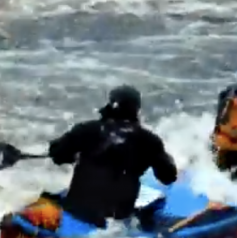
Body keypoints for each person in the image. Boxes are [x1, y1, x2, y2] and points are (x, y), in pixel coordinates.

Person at [46, 85, 178, 228]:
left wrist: (72, 154)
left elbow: (57, 154)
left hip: (77, 213)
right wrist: (162, 158)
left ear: (110, 103)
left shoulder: (86, 129)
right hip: (115, 222)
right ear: (137, 109)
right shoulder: (149, 141)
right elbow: (168, 177)